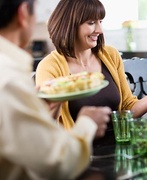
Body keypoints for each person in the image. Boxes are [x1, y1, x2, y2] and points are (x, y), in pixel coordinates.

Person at [35, 0, 147, 146]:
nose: (100, 30)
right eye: (91, 22)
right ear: (70, 24)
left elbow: (127, 108)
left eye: (100, 21)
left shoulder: (110, 55)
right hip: (78, 153)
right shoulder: (49, 67)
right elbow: (45, 128)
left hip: (119, 148)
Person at [0, 0, 112, 179]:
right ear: (23, 14)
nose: (99, 29)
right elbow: (57, 163)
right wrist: (88, 122)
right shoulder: (10, 80)